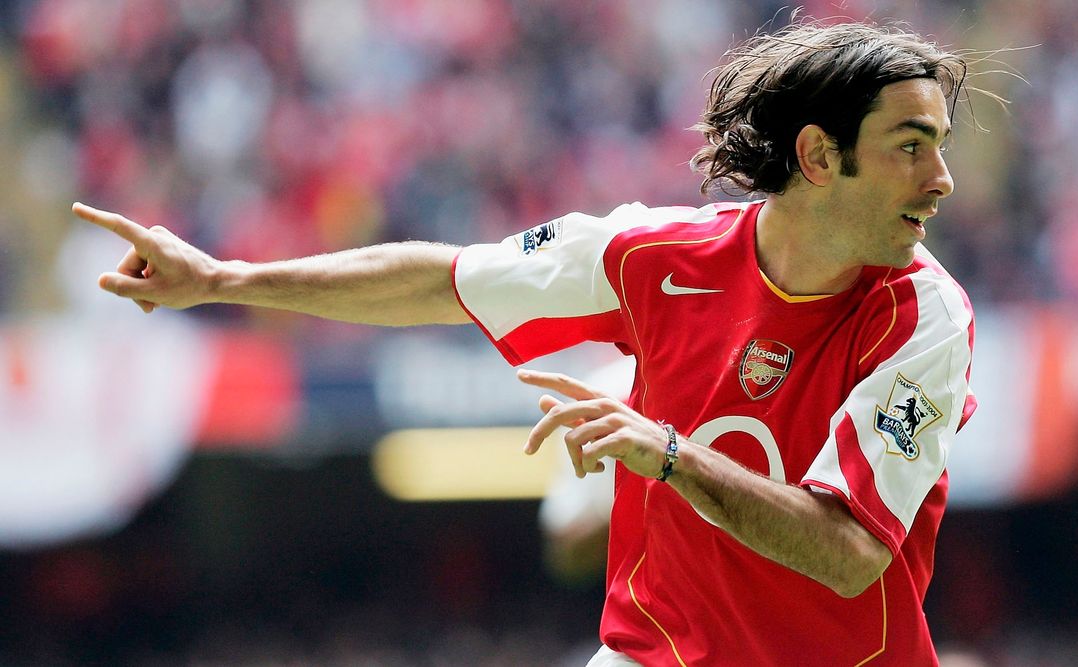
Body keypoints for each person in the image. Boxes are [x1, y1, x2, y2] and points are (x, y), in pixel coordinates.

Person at [74, 16, 982, 666]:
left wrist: (669, 455)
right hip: (655, 650)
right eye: (911, 144)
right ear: (822, 156)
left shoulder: (926, 317)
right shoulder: (648, 256)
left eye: (938, 144)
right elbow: (448, 277)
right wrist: (229, 279)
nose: (941, 179)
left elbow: (850, 548)